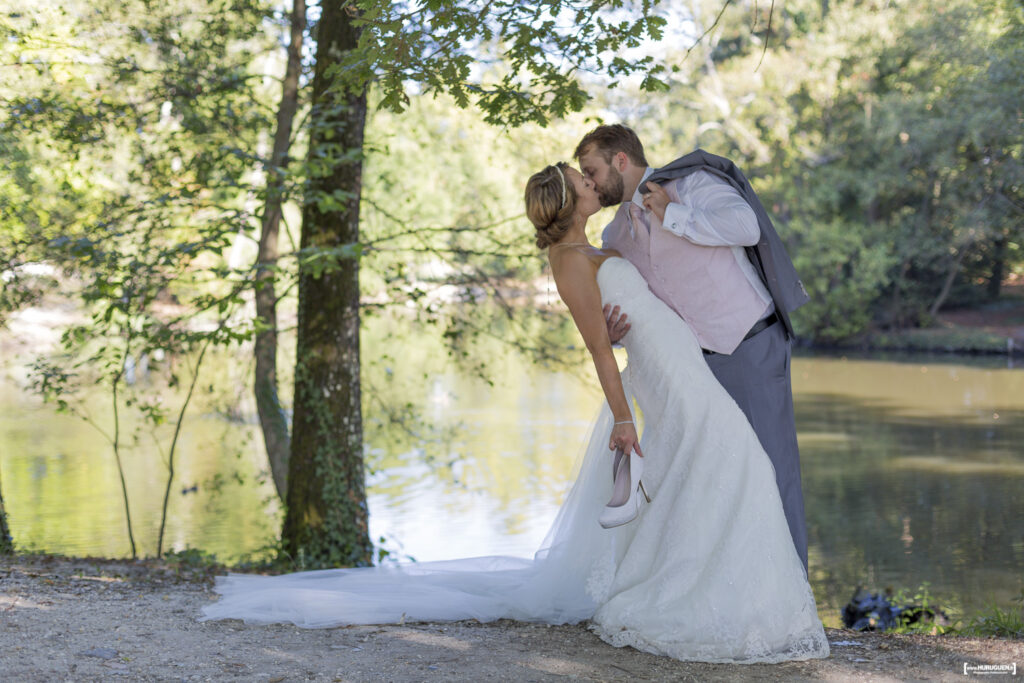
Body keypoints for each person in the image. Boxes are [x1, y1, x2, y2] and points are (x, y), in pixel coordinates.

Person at [200, 163, 829, 664]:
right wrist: (623, 418)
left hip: (682, 359)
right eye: (583, 179)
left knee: (724, 470)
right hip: (664, 377)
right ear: (568, 199)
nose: (593, 182)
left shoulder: (601, 248)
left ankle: (722, 597)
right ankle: (704, 604)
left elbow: (635, 309)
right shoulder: (569, 264)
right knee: (740, 462)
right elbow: (596, 351)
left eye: (590, 174)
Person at [575, 124, 811, 569]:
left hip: (750, 344)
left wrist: (673, 216)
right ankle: (740, 591)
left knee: (773, 472)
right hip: (690, 371)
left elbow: (746, 226)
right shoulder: (614, 238)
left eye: (592, 170)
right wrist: (617, 332)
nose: (589, 182)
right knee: (719, 480)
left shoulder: (691, 183)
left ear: (620, 161)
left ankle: (794, 593)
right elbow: (646, 305)